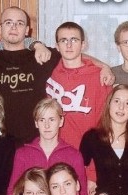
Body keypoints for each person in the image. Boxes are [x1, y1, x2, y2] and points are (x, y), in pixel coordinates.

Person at [0, 7, 113, 145]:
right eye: (8, 22)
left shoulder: (43, 56)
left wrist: (104, 66)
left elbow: (71, 54)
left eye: (20, 23)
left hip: (37, 142)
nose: (14, 27)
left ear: (27, 30)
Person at [46, 22, 112, 164]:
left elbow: (105, 124)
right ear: (57, 46)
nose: (69, 45)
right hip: (55, 156)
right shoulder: (49, 71)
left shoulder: (99, 77)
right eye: (64, 40)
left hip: (88, 157)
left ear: (83, 45)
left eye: (74, 40)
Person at [6, 98, 87, 195]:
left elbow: (82, 193)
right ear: (36, 123)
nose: (47, 125)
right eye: (42, 120)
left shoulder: (74, 155)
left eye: (52, 119)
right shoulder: (22, 154)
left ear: (61, 121)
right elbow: (13, 191)